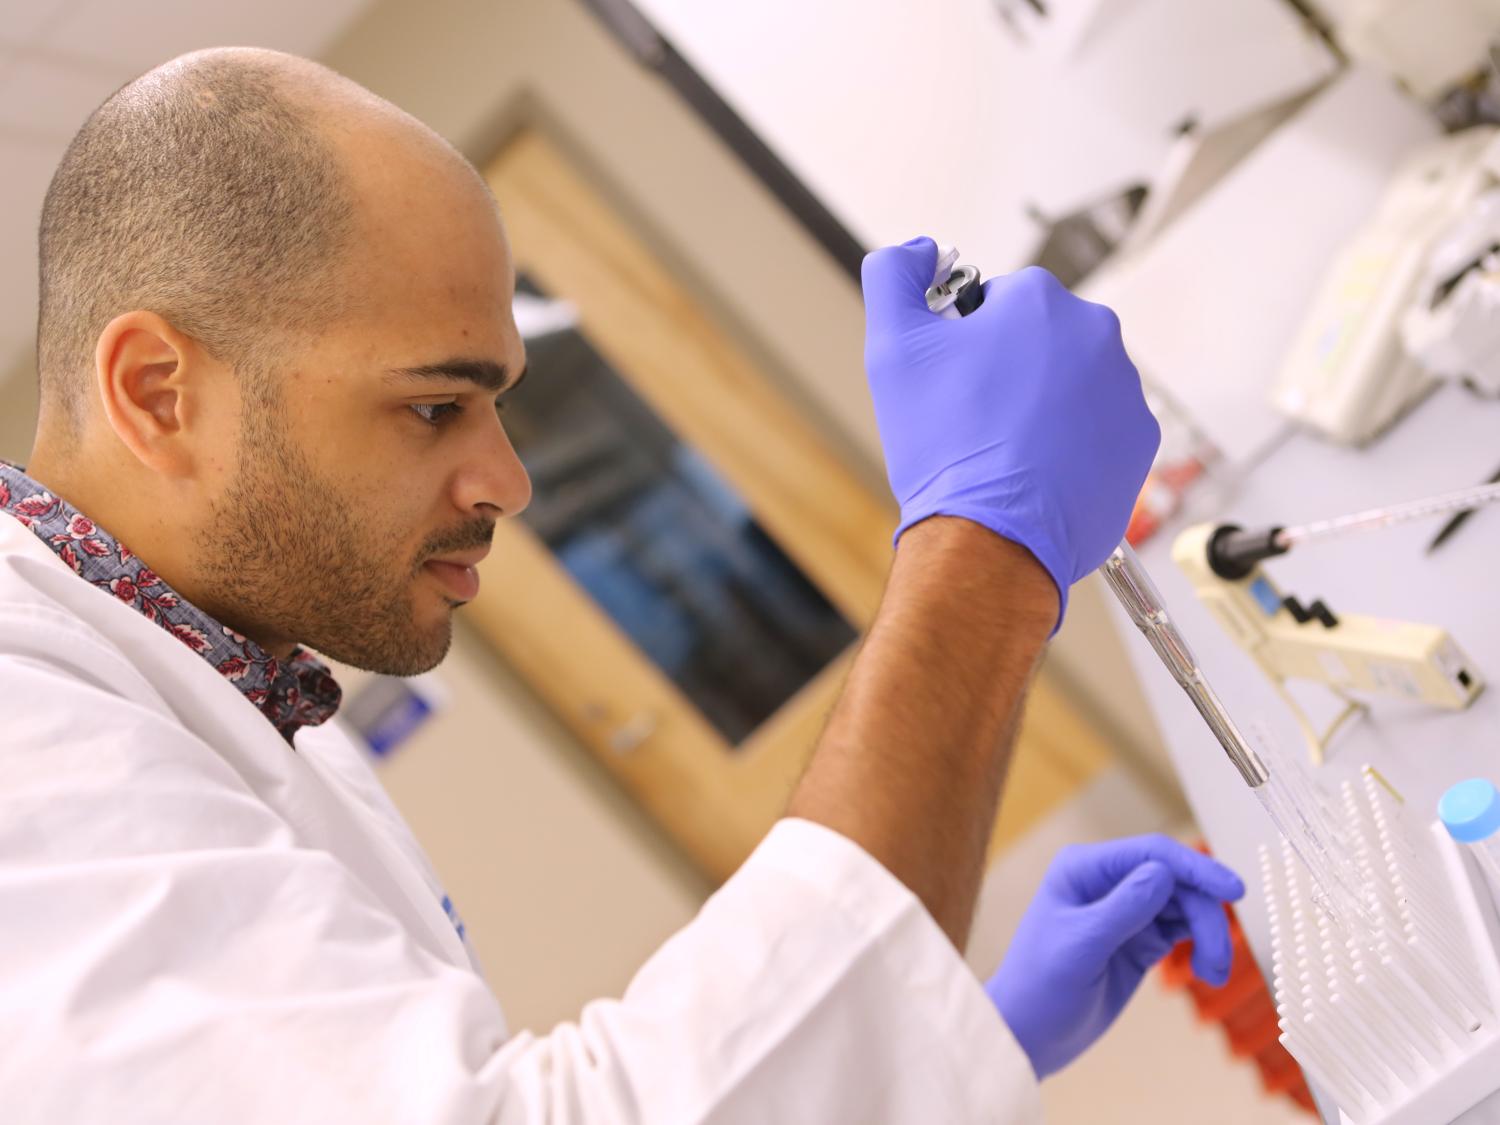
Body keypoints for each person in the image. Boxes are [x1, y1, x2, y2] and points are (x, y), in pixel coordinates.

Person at [0, 47, 1243, 1123]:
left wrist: (963, 1040)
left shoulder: (250, 703)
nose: (507, 481)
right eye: (435, 406)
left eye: (495, 405)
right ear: (159, 393)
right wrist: (985, 550)